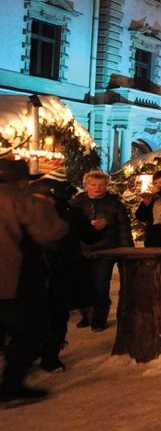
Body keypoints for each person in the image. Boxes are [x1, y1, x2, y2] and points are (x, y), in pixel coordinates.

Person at [0, 159, 68, 403]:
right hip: (15, 279)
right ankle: (11, 386)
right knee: (30, 330)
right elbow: (51, 232)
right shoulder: (22, 201)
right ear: (21, 181)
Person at [28, 172, 96, 374]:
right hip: (60, 271)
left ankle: (39, 354)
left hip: (44, 272)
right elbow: (89, 237)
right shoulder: (69, 214)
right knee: (55, 315)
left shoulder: (31, 211)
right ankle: (48, 356)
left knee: (44, 315)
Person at [70, 170, 134, 331]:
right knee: (80, 284)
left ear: (106, 186)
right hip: (81, 250)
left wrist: (127, 251)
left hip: (106, 250)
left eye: (101, 185)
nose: (97, 188)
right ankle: (85, 315)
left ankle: (98, 318)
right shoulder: (76, 203)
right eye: (93, 185)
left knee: (101, 285)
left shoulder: (114, 204)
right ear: (86, 186)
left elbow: (123, 228)